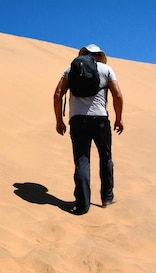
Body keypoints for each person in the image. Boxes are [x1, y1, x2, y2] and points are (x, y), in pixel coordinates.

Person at [53, 44, 124, 215]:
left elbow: (57, 94)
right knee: (106, 157)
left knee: (82, 161)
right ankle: (107, 197)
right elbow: (118, 95)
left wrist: (59, 120)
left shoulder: (70, 69)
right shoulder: (106, 69)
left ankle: (83, 204)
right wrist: (119, 118)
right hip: (100, 119)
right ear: (99, 55)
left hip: (77, 121)